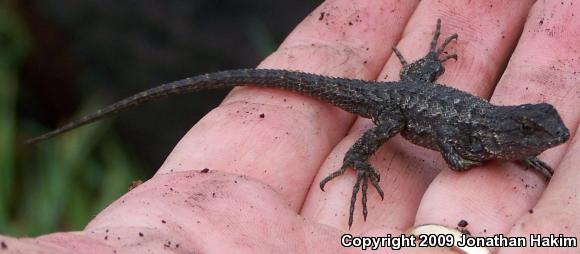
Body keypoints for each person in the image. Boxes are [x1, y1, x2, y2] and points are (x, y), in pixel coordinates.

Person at [2, 0, 579, 253]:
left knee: (412, 98)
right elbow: (453, 160)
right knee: (398, 112)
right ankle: (356, 158)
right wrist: (361, 155)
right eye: (536, 138)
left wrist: (518, 153)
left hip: (414, 95)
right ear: (512, 134)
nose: (547, 143)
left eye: (541, 137)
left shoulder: (499, 135)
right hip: (399, 103)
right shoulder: (476, 143)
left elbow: (507, 142)